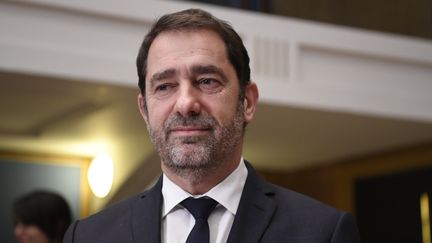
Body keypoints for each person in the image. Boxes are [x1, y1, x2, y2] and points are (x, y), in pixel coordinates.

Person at [63, 8, 361, 243]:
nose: (185, 104)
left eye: (207, 81)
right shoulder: (89, 236)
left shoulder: (322, 233)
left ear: (247, 101)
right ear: (144, 109)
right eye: (165, 86)